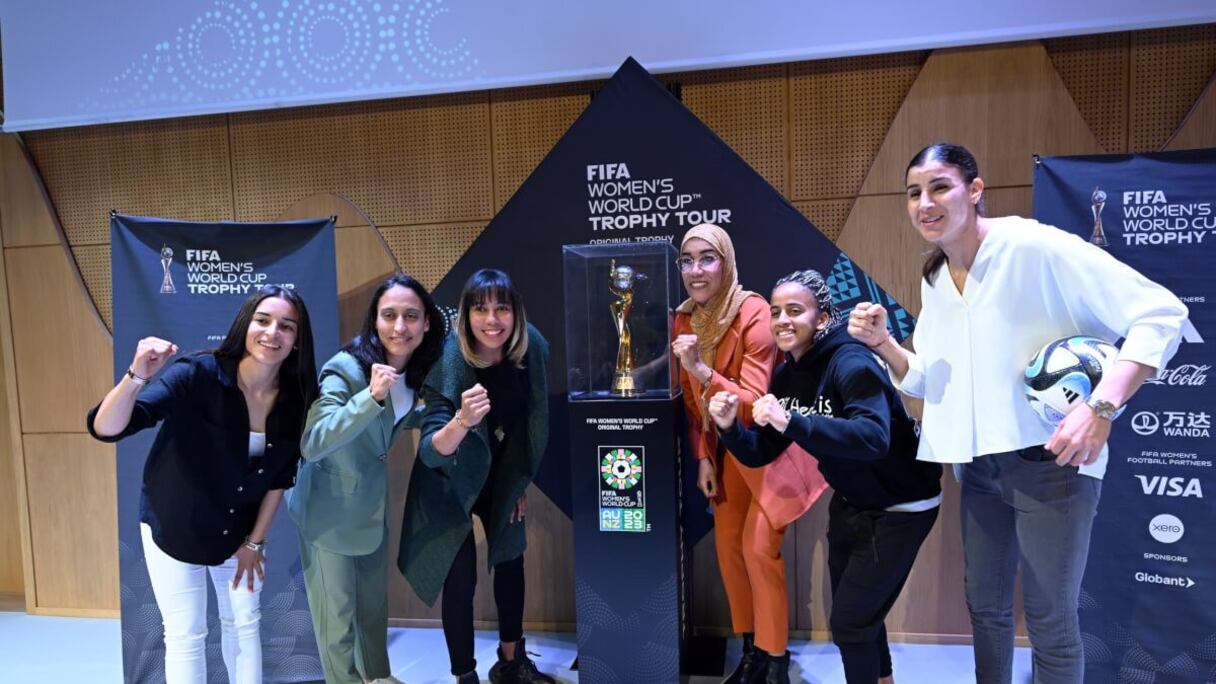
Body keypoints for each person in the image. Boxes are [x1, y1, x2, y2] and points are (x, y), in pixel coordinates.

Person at [848, 142, 1188, 683]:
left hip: (1051, 469)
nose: (925, 202)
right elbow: (935, 381)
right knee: (985, 610)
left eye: (940, 186)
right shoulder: (935, 277)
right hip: (979, 471)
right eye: (914, 192)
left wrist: (1102, 406)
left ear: (975, 191)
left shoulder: (1034, 246)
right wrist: (885, 344)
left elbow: (1161, 312)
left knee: (1051, 623)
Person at [710, 269, 942, 684]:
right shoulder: (787, 376)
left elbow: (873, 438)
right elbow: (761, 451)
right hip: (852, 501)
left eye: (795, 310)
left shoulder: (851, 362)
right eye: (776, 311)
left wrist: (792, 421)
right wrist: (729, 428)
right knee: (861, 618)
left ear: (821, 319)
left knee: (850, 624)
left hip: (902, 505)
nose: (781, 320)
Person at [86, 285, 317, 684]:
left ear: (297, 341)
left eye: (286, 326)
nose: (272, 333)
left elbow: (281, 477)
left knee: (244, 621)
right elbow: (107, 428)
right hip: (174, 524)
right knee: (187, 633)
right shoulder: (197, 374)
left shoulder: (296, 400)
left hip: (237, 531)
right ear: (246, 325)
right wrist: (137, 374)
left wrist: (254, 543)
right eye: (263, 321)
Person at [672, 224, 825, 684]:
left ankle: (775, 661)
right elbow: (690, 399)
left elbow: (754, 399)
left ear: (727, 261)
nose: (696, 270)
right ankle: (752, 654)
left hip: (764, 451)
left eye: (707, 258)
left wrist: (700, 367)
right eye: (687, 260)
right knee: (728, 552)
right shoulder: (682, 319)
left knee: (759, 550)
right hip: (723, 454)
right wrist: (702, 456)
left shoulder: (754, 311)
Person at [398, 268, 556, 684]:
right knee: (460, 573)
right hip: (449, 478)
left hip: (500, 473)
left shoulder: (531, 349)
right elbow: (432, 450)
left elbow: (533, 421)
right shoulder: (449, 360)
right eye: (480, 308)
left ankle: (511, 662)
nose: (492, 319)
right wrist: (463, 421)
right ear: (465, 316)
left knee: (510, 556)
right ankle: (465, 675)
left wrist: (518, 480)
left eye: (502, 308)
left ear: (516, 313)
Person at [289, 274, 444, 684]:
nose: (399, 327)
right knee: (336, 622)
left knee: (373, 612)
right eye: (389, 315)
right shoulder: (346, 369)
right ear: (374, 321)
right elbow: (314, 441)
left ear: (426, 322)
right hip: (328, 513)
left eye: (411, 316)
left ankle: (378, 679)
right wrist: (370, 399)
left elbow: (406, 419)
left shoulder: (417, 371)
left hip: (369, 510)